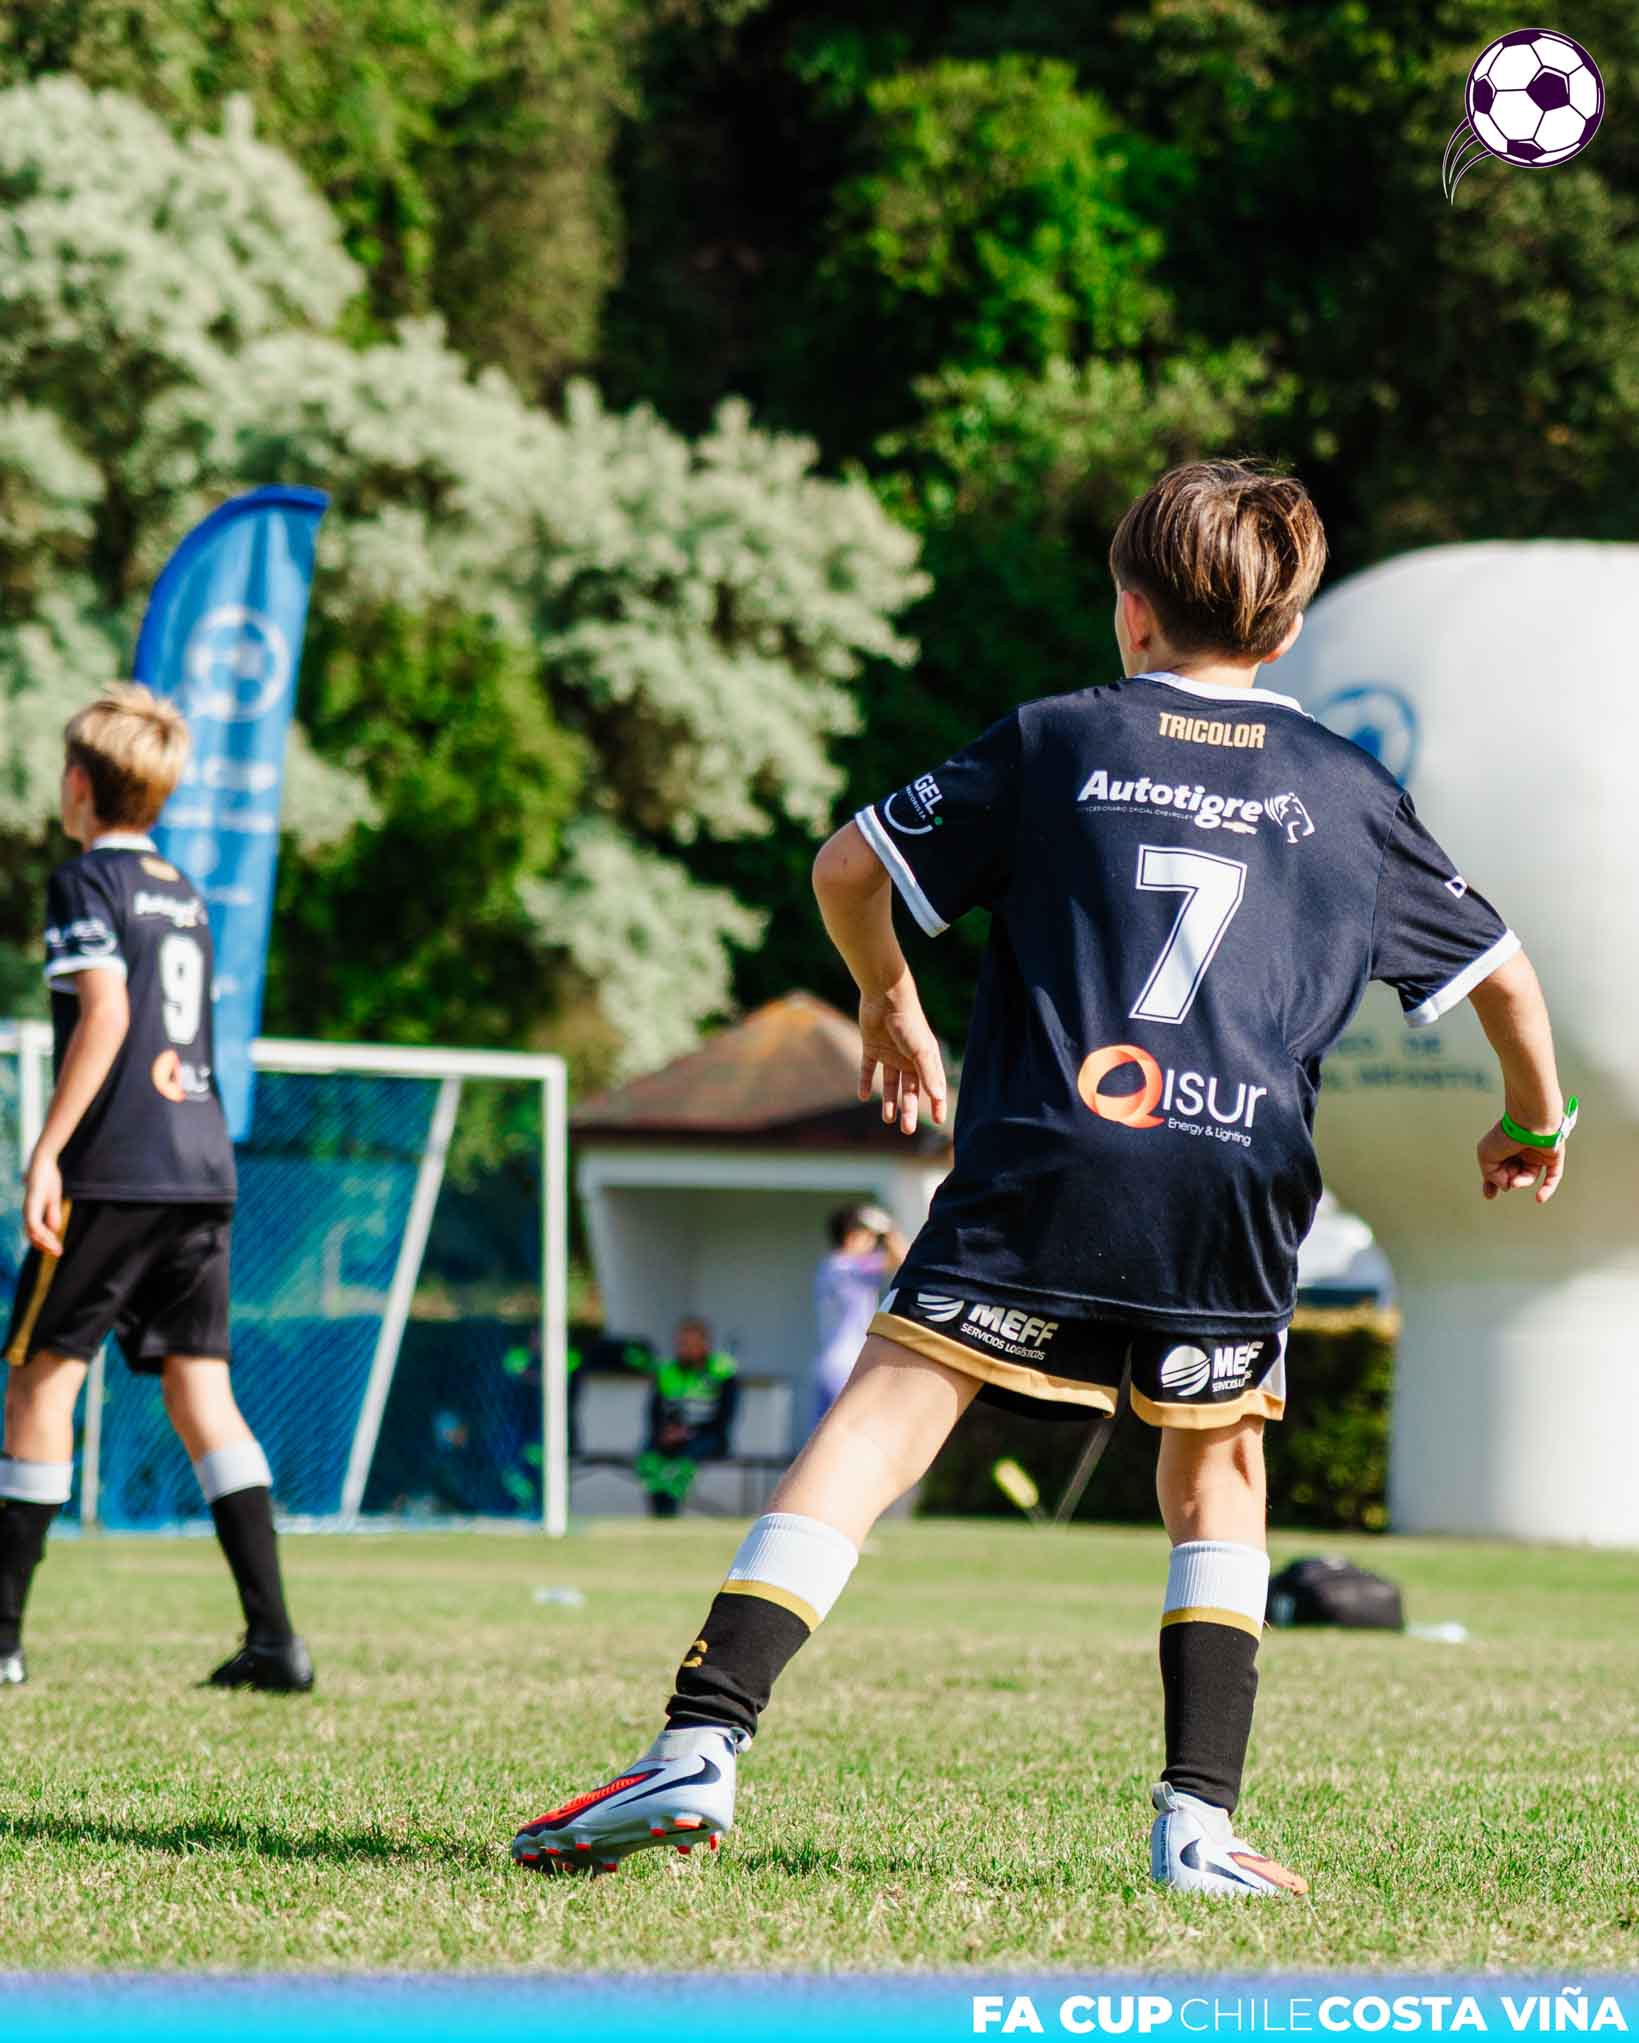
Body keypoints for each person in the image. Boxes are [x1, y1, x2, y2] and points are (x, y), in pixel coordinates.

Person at [509, 460, 1570, 1891]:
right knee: (1218, 1471)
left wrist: (890, 1002)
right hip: (1234, 1169)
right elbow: (1504, 978)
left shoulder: (1061, 736)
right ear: (1285, 631)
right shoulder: (1347, 789)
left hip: (1051, 1145)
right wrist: (1532, 1126)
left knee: (885, 1419)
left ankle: (700, 1741)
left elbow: (847, 868)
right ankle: (1196, 1826)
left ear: (1129, 610)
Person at [0, 685, 312, 1693]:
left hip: (119, 1163)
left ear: (77, 784)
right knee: (200, 1389)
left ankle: (2, 1640)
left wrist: (48, 1151)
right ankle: (275, 1639)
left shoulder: (86, 880)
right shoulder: (184, 891)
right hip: (200, 1164)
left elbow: (106, 1014)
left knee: (41, 1380)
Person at [811, 1204, 908, 1427]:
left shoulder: (831, 1265)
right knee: (850, 1431)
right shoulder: (849, 1266)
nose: (872, 1242)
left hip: (830, 1363)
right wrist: (889, 1229)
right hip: (847, 1364)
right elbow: (905, 1260)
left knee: (825, 1434)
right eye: (869, 1236)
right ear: (852, 1236)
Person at [634, 1318, 739, 1517]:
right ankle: (659, 1514)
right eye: (681, 1343)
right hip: (670, 1436)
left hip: (708, 1437)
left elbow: (725, 1416)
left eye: (691, 1343)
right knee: (649, 1460)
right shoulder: (667, 1371)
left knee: (680, 1467)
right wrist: (665, 1433)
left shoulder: (721, 1371)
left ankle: (670, 1513)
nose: (685, 1349)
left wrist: (690, 1433)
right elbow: (654, 1413)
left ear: (704, 1344)